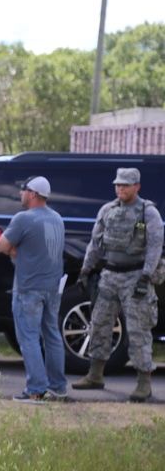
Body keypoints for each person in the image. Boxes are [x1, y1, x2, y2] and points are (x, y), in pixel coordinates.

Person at [73, 167, 162, 402]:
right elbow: (95, 244)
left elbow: (155, 247)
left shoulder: (148, 213)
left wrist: (145, 276)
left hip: (136, 278)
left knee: (138, 330)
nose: (120, 188)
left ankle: (144, 382)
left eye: (126, 184)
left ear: (137, 187)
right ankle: (95, 374)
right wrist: (85, 270)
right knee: (99, 324)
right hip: (109, 276)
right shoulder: (107, 210)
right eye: (118, 184)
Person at [0, 175, 67, 403]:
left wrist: (15, 250)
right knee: (52, 336)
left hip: (28, 288)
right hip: (53, 287)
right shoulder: (57, 218)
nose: (20, 194)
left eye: (23, 190)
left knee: (29, 338)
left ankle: (36, 389)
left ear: (33, 193)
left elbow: (1, 246)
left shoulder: (23, 218)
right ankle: (58, 387)